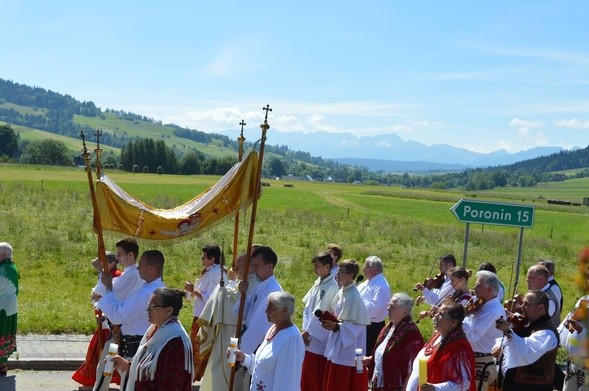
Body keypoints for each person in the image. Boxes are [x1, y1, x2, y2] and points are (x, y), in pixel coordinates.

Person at [98, 250, 166, 389]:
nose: (137, 268)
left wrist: (109, 288)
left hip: (137, 347)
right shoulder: (153, 288)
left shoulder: (147, 293)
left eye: (140, 265)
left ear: (151, 269)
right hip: (136, 343)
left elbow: (118, 315)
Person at [112, 288, 193, 391]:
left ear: (168, 310)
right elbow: (153, 371)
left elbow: (172, 384)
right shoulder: (155, 330)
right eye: (148, 305)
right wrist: (127, 366)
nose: (147, 310)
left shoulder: (175, 341)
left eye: (153, 306)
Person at [234, 291, 304, 391]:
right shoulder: (273, 329)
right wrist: (244, 358)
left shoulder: (292, 339)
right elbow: (263, 367)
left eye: (271, 308)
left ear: (284, 311)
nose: (266, 311)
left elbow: (287, 383)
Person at [234, 246, 282, 391]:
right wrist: (243, 293)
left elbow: (258, 328)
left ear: (269, 267)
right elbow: (243, 312)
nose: (253, 269)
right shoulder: (259, 286)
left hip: (257, 347)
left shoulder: (272, 292)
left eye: (256, 265)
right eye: (252, 265)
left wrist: (243, 351)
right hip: (251, 345)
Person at [72, 252, 122, 387]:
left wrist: (101, 272)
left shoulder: (116, 275)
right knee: (101, 359)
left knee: (106, 361)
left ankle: (101, 383)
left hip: (111, 325)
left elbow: (101, 293)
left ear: (111, 263)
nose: (98, 263)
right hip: (106, 321)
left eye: (102, 261)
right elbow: (96, 295)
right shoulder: (108, 274)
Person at [493, 290, 559, 391]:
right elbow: (512, 341)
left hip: (533, 387)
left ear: (541, 308)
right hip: (515, 384)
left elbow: (527, 350)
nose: (522, 307)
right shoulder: (526, 323)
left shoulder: (547, 332)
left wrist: (507, 331)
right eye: (522, 303)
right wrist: (500, 346)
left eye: (527, 304)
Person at [321, 259, 371, 391]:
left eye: (341, 272)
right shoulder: (343, 291)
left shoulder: (353, 297)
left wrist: (336, 326)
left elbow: (357, 327)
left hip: (348, 350)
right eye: (337, 271)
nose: (337, 274)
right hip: (339, 342)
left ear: (350, 275)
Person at [407, 300, 476, 391]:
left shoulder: (460, 348)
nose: (435, 316)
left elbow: (464, 383)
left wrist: (435, 388)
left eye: (441, 314)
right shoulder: (437, 336)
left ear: (453, 323)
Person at [363, 293, 424, 391]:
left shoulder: (411, 335)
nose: (387, 308)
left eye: (392, 306)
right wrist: (370, 359)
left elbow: (412, 370)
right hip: (378, 383)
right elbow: (387, 353)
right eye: (388, 305)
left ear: (404, 312)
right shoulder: (389, 327)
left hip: (395, 387)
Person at [184, 244, 224, 381]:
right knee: (195, 347)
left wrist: (193, 290)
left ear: (212, 259)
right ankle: (195, 375)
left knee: (199, 348)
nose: (201, 259)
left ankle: (197, 376)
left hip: (206, 317)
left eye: (204, 257)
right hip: (199, 315)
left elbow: (213, 298)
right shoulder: (209, 271)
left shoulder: (216, 274)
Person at [301, 252, 339, 391]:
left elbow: (320, 312)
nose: (314, 269)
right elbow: (307, 306)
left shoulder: (331, 286)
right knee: (306, 373)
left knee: (314, 375)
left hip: (318, 336)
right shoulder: (319, 282)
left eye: (317, 266)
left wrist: (307, 333)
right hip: (308, 333)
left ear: (327, 266)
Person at [462, 270, 504, 391]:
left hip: (482, 362)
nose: (474, 288)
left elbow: (473, 335)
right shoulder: (481, 304)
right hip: (474, 359)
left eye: (478, 285)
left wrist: (461, 316)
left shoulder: (492, 311)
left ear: (489, 290)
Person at [358, 255, 392, 355]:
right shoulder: (367, 282)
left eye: (366, 267)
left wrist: (358, 305)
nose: (363, 270)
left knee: (366, 355)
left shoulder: (381, 286)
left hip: (372, 328)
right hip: (361, 324)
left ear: (376, 269)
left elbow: (377, 309)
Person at [558, 295, 589, 391]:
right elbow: (570, 319)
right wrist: (568, 324)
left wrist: (581, 330)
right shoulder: (584, 299)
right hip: (573, 363)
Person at [0, 242, 18, 377]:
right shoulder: (9, 266)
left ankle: (2, 365)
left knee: (2, 333)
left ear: (3, 255)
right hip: (8, 306)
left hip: (3, 308)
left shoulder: (6, 268)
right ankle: (2, 366)